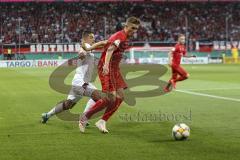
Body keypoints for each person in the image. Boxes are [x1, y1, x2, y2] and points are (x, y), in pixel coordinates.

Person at [79, 17, 141, 133]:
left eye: (136, 29)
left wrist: (91, 47)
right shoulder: (120, 36)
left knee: (120, 96)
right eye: (132, 28)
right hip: (106, 68)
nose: (134, 31)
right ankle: (85, 117)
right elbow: (109, 50)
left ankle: (102, 121)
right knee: (109, 98)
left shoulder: (125, 37)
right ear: (126, 26)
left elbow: (105, 43)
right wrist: (106, 65)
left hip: (115, 70)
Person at [41, 31, 107, 124]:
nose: (94, 39)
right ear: (86, 38)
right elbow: (83, 52)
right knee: (98, 97)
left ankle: (47, 115)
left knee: (68, 104)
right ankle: (84, 118)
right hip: (80, 82)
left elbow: (96, 47)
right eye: (92, 37)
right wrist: (82, 54)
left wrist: (107, 44)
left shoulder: (90, 49)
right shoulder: (85, 46)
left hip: (81, 82)